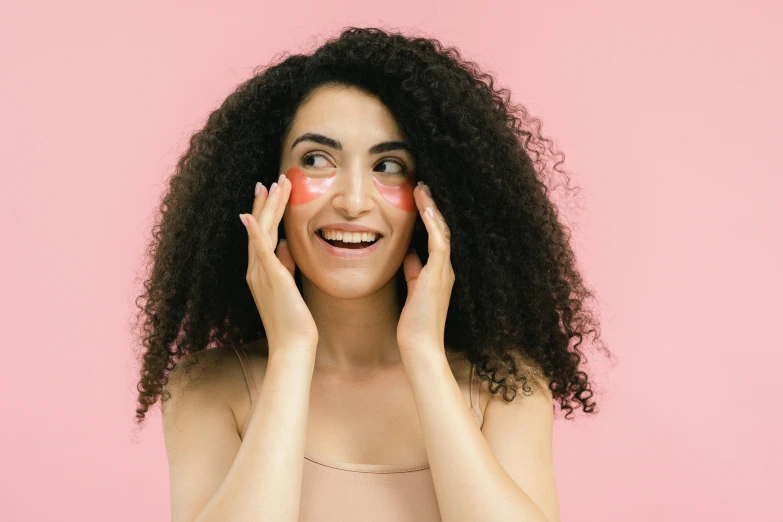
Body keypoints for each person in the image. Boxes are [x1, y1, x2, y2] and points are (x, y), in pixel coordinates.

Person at [132, 26, 609, 522]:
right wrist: (292, 353)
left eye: (389, 165)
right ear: (262, 184)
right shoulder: (208, 391)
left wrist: (424, 354)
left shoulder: (505, 388)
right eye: (316, 160)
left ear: (438, 194)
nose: (354, 201)